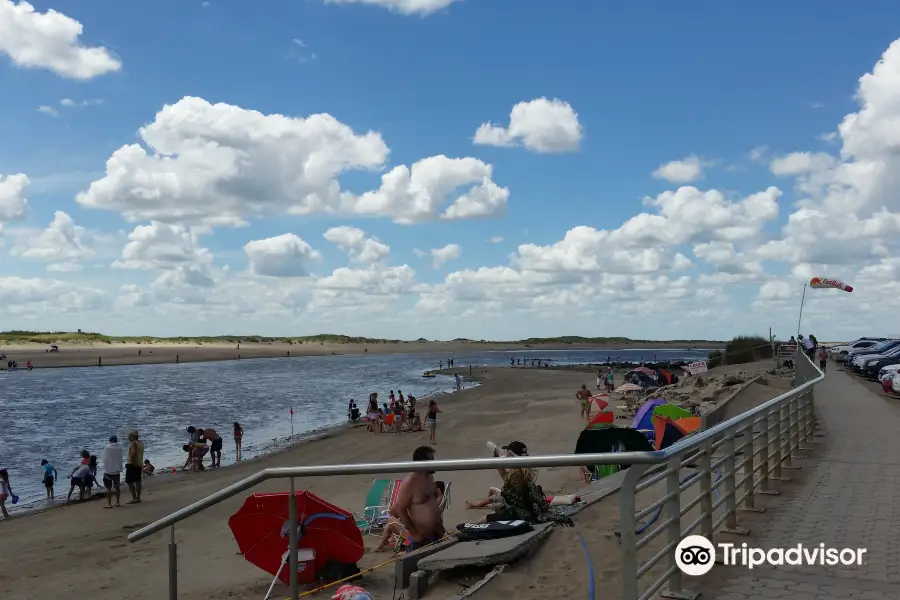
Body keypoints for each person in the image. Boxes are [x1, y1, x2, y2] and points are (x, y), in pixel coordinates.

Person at [392, 446, 444, 551]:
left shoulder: (430, 478)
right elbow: (399, 509)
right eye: (431, 460)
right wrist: (414, 532)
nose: (434, 463)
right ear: (422, 463)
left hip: (436, 533)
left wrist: (439, 525)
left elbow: (431, 503)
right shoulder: (410, 482)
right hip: (421, 538)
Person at [375, 481, 446, 552]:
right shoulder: (437, 501)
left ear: (438, 490)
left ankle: (381, 545)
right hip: (420, 531)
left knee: (391, 520)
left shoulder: (434, 502)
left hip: (414, 535)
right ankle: (383, 543)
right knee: (391, 521)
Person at [100, 435, 123, 508]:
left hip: (109, 470)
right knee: (117, 487)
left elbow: (103, 458)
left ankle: (109, 504)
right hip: (117, 470)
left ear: (110, 440)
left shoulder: (107, 448)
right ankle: (117, 502)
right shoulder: (120, 447)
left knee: (108, 488)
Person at [125, 430, 144, 504]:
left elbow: (133, 454)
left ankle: (134, 497)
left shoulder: (133, 443)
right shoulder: (141, 443)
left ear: (134, 436)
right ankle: (138, 497)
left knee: (129, 481)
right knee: (138, 481)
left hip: (132, 464)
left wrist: (133, 463)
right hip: (139, 464)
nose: (128, 437)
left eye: (130, 436)